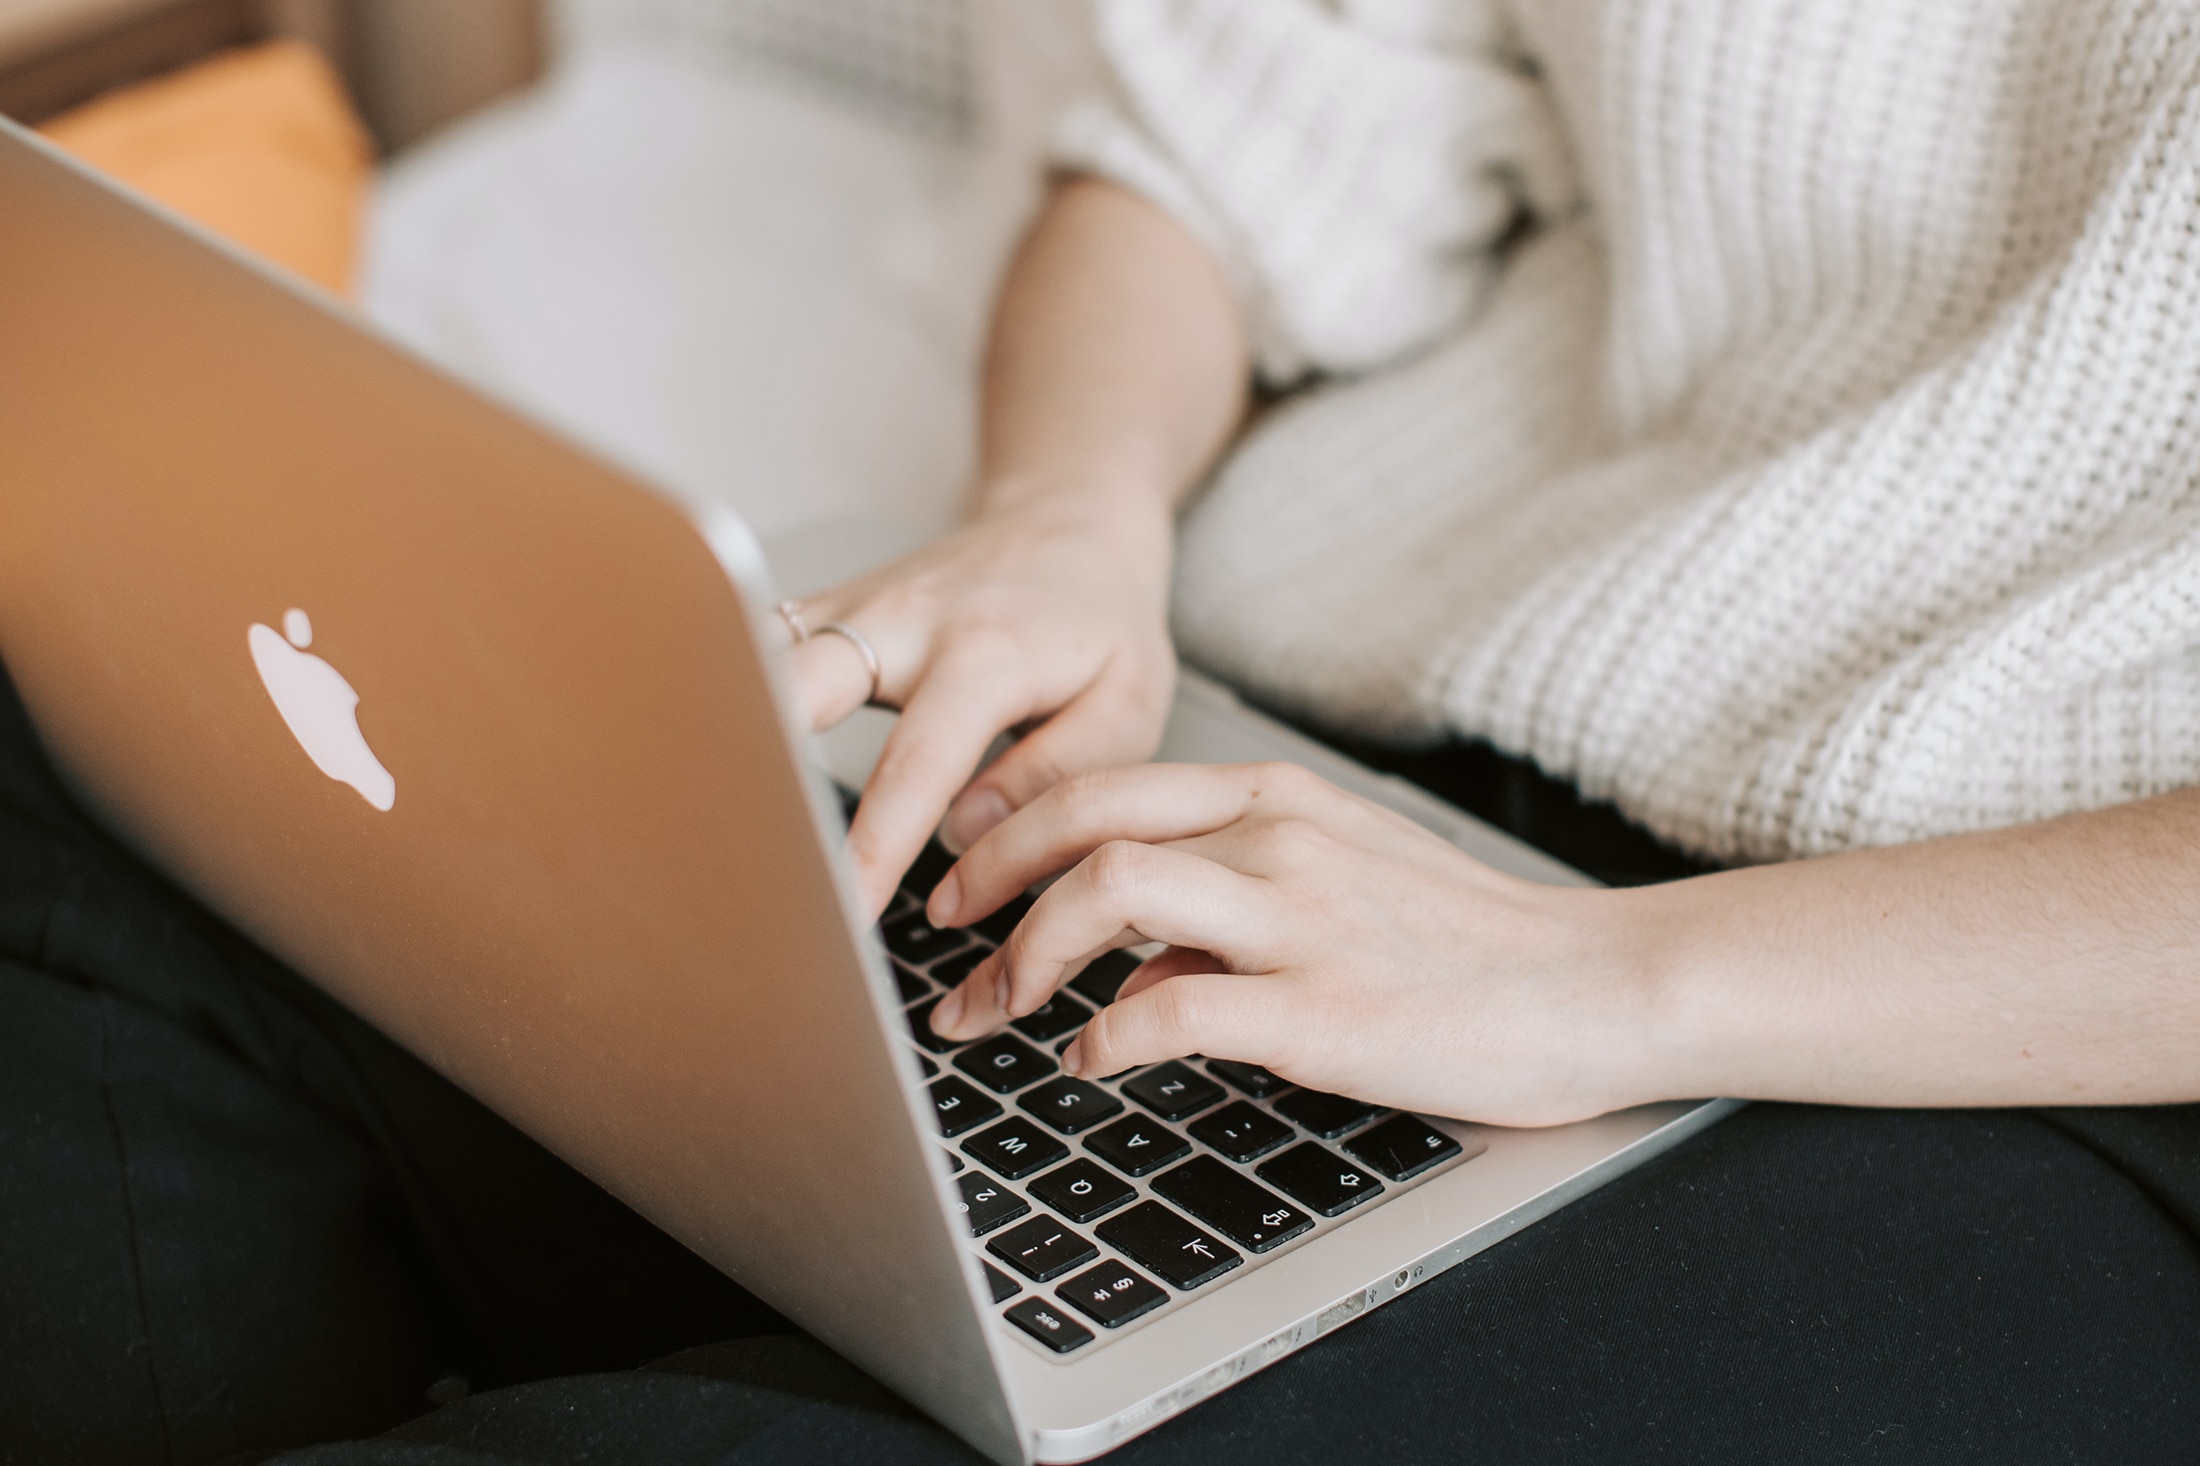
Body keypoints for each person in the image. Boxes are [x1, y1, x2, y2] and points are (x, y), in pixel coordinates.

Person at [6, 2, 2200, 1462]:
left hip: (2010, 1030)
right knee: (85, 862)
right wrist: (1067, 520)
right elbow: (1245, 133)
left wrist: (1601, 981)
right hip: (1335, 766)